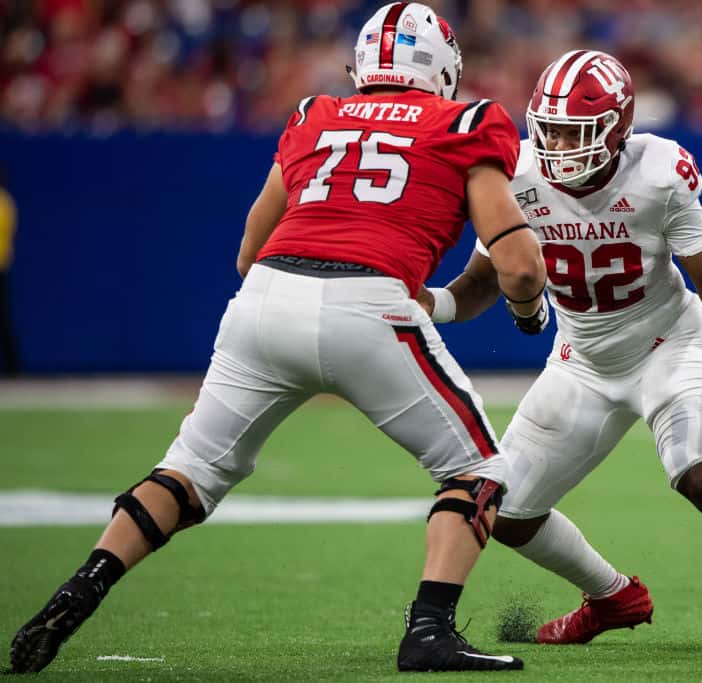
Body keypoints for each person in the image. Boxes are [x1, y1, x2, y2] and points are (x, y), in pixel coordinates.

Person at [8, 3, 547, 674]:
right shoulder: (465, 122)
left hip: (264, 300)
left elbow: (248, 251)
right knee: (478, 469)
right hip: (368, 305)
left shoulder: (312, 114)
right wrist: (528, 311)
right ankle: (430, 629)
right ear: (441, 69)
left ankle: (85, 581)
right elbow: (519, 265)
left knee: (189, 472)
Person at [418, 50, 702, 654]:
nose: (556, 147)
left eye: (573, 133)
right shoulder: (515, 174)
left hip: (667, 346)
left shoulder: (659, 171)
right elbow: (478, 286)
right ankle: (611, 596)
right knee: (509, 512)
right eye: (547, 129)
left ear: (618, 129)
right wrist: (430, 303)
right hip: (582, 361)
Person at [0, 166, 17, 376]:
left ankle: (12, 365)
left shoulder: (3, 203)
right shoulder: (7, 202)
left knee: (3, 319)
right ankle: (12, 365)